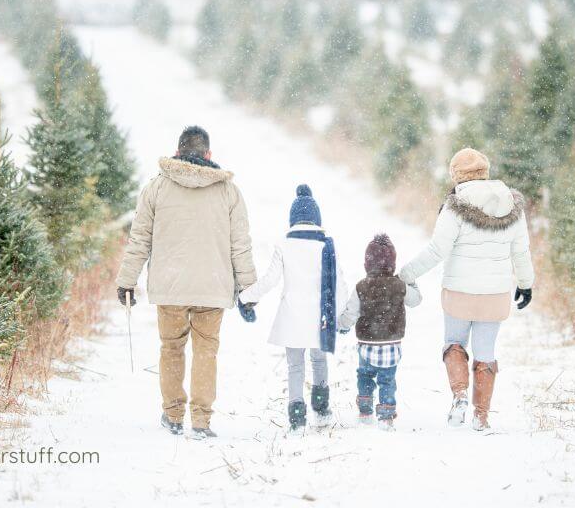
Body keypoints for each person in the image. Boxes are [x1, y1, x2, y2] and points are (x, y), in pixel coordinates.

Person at [115, 126, 257, 439]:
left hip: (170, 288)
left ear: (178, 152)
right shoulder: (228, 192)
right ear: (208, 154)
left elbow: (139, 238)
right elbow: (240, 245)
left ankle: (173, 414)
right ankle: (202, 421)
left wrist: (127, 281)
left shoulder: (157, 188)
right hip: (212, 287)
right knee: (206, 352)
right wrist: (248, 287)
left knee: (171, 349)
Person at [398, 148, 534, 431]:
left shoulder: (455, 205)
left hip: (459, 291)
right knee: (486, 352)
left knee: (454, 344)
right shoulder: (511, 204)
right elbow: (521, 252)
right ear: (485, 172)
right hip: (495, 295)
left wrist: (406, 274)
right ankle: (481, 416)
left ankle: (459, 396)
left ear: (457, 175)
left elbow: (437, 250)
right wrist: (525, 284)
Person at [239, 185, 348, 433]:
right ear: (317, 219)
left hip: (292, 317)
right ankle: (321, 409)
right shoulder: (326, 246)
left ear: (293, 219)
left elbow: (269, 280)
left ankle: (297, 416)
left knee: (295, 366)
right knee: (319, 360)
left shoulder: (284, 245)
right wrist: (342, 317)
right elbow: (338, 284)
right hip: (320, 317)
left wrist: (246, 297)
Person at [337, 234, 422, 432]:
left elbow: (351, 312)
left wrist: (342, 325)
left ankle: (365, 410)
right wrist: (411, 282)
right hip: (392, 345)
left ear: (367, 263)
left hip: (367, 343)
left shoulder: (361, 286)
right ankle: (386, 415)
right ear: (393, 262)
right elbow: (416, 300)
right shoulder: (399, 285)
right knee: (387, 379)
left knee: (365, 374)